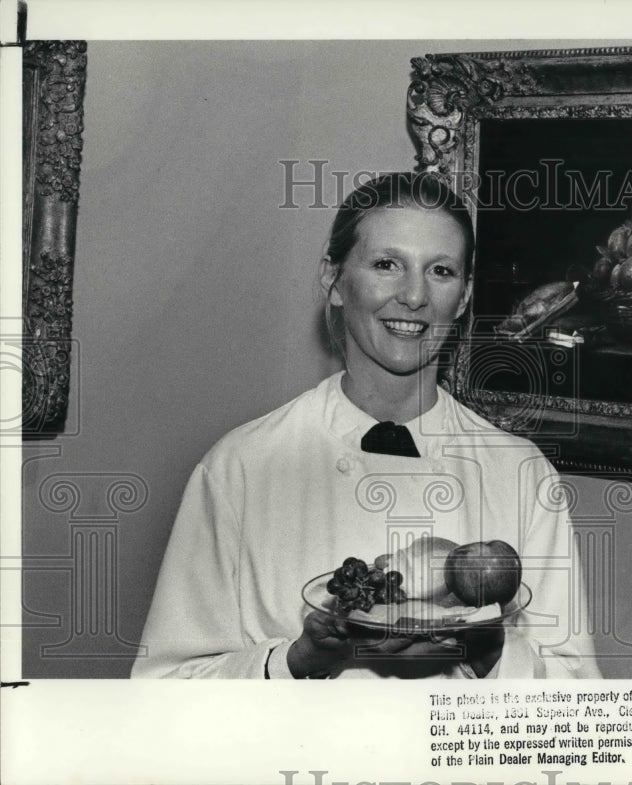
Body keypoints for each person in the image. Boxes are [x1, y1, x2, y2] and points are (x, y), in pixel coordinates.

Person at [132, 172, 601, 679]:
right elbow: (164, 691)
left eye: (440, 271)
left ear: (463, 299)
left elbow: (577, 707)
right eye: (386, 265)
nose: (414, 296)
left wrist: (489, 654)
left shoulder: (521, 473)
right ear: (333, 281)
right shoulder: (241, 464)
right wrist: (295, 661)